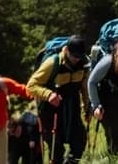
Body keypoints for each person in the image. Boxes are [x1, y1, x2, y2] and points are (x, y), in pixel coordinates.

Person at [27, 35, 90, 164]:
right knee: (56, 149)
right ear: (66, 50)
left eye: (79, 57)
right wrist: (49, 94)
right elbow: (31, 86)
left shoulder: (84, 64)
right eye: (74, 56)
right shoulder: (52, 63)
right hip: (51, 111)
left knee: (79, 142)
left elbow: (85, 88)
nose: (76, 60)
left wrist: (87, 108)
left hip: (72, 108)